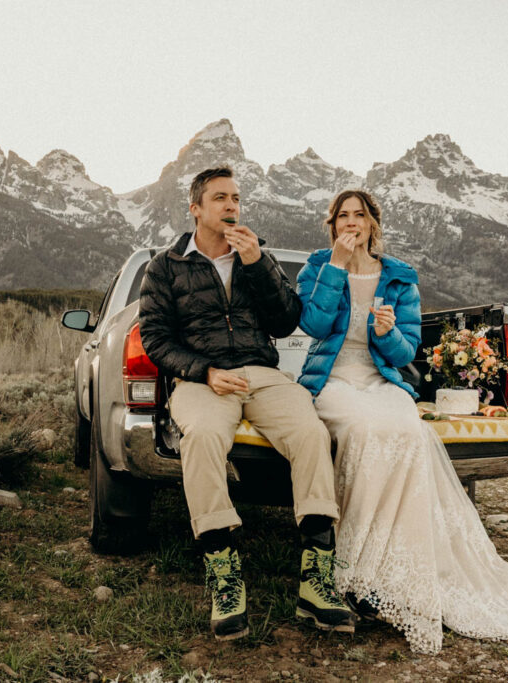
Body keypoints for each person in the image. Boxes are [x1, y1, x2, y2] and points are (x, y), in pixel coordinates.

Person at [296, 189, 508, 655]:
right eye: (342, 217)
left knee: (408, 432)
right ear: (332, 224)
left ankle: (383, 567)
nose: (350, 224)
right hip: (333, 381)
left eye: (359, 216)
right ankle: (354, 564)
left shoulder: (400, 279)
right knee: (362, 431)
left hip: (381, 382)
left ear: (373, 223)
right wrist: (337, 265)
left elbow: (404, 353)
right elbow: (313, 326)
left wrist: (386, 332)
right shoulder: (317, 266)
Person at [138, 167, 357, 640]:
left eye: (236, 197)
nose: (231, 206)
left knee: (310, 434)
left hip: (262, 373)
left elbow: (284, 323)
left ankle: (316, 584)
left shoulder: (257, 255)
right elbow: (156, 340)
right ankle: (225, 577)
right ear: (195, 208)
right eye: (220, 198)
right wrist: (204, 372)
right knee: (203, 437)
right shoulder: (165, 266)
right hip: (203, 378)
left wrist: (258, 264)